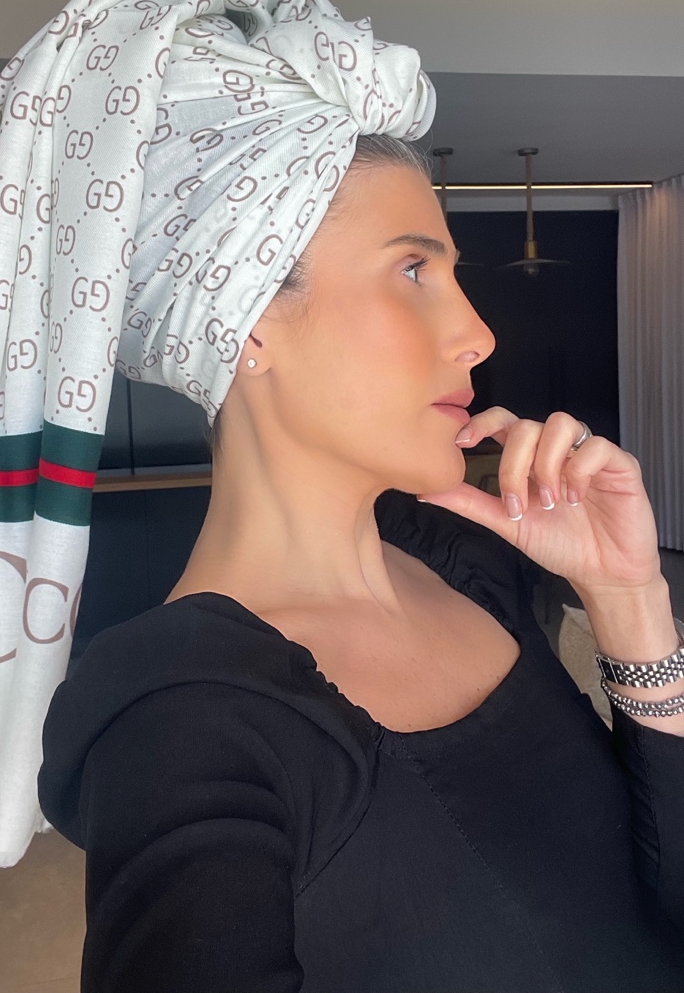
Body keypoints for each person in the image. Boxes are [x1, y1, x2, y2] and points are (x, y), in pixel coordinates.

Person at [38, 139, 684, 989]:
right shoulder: (182, 730)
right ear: (249, 323)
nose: (479, 334)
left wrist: (629, 597)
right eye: (413, 269)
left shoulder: (466, 564)